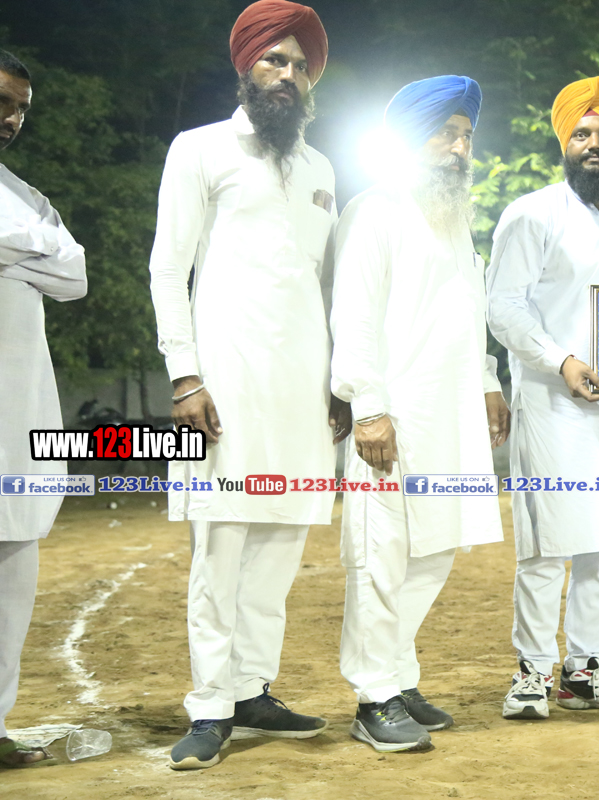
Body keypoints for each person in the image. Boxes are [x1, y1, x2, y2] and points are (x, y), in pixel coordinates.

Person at [148, 0, 351, 769]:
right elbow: (168, 266)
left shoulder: (321, 169)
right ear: (246, 66)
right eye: (275, 59)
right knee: (221, 548)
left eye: (300, 65)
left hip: (303, 392)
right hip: (223, 388)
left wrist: (340, 382)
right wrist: (184, 374)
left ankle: (250, 689)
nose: (288, 74)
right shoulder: (199, 149)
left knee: (279, 548)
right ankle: (209, 706)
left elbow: (326, 284)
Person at [330, 75, 506, 753]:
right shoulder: (373, 210)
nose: (459, 148)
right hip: (394, 418)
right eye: (445, 133)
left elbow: (468, 309)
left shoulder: (454, 219)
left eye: (466, 136)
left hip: (450, 414)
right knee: (381, 559)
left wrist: (487, 380)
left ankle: (398, 679)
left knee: (436, 549)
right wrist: (368, 407)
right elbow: (353, 314)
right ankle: (373, 697)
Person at [487, 76, 599, 720]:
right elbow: (502, 305)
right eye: (582, 133)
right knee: (547, 543)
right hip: (553, 403)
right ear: (564, 142)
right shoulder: (531, 214)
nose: (594, 144)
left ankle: (584, 670)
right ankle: (533, 669)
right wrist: (560, 360)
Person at [0, 49, 87, 768]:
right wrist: (38, 252)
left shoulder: (23, 195)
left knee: (12, 586)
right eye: (1, 101)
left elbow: (75, 273)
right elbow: (53, 259)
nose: (10, 118)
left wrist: (12, 244)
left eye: (21, 109)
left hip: (17, 415)